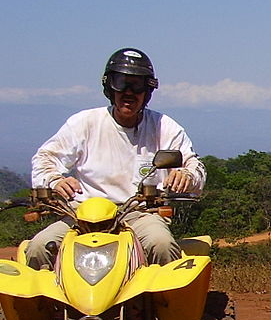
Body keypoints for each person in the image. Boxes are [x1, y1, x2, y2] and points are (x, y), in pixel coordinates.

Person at [27, 48, 206, 269]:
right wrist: (56, 180)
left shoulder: (164, 127)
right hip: (83, 214)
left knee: (162, 245)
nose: (128, 92)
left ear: (147, 90)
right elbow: (45, 157)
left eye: (137, 85)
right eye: (120, 83)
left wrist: (186, 175)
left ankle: (170, 304)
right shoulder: (84, 122)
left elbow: (194, 164)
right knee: (38, 248)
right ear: (109, 87)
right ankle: (47, 303)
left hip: (140, 213)